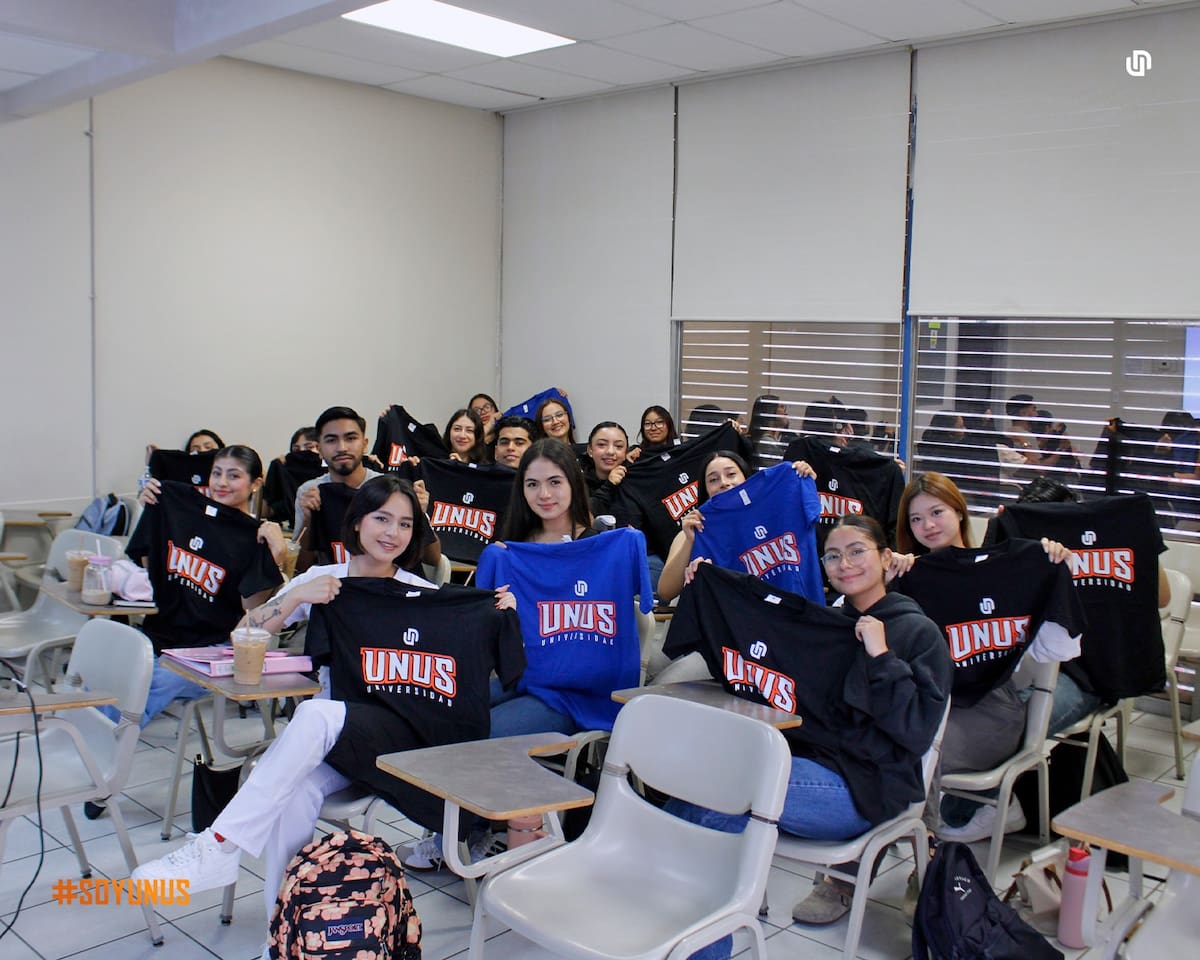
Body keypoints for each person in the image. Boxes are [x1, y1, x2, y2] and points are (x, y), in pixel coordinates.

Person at [132, 476, 521, 931]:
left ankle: (219, 843)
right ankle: (282, 934)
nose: (391, 532)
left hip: (405, 741)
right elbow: (244, 633)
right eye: (381, 518)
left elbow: (486, 670)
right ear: (356, 523)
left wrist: (497, 611)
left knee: (314, 711)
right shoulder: (324, 580)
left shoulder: (431, 596)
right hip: (341, 740)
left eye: (404, 523)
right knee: (294, 791)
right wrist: (297, 595)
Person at [663, 515, 951, 927]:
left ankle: (693, 931)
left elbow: (917, 730)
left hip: (863, 785)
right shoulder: (821, 623)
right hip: (810, 764)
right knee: (695, 792)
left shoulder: (918, 633)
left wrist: (882, 658)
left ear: (887, 558)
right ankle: (674, 916)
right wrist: (708, 583)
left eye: (856, 552)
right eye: (832, 556)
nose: (844, 564)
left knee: (724, 789)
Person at [890, 472, 1083, 843]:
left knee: (915, 751)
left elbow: (1059, 645)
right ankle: (899, 859)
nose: (927, 525)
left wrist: (1057, 562)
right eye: (915, 519)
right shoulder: (910, 575)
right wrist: (884, 578)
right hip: (930, 707)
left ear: (959, 512)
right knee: (875, 741)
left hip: (990, 711)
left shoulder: (1010, 567)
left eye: (936, 512)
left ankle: (921, 861)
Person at [127, 445, 286, 728]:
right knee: (113, 663)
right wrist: (151, 507)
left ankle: (104, 744)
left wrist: (276, 557)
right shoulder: (176, 505)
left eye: (234, 475)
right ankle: (87, 733)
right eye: (216, 473)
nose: (222, 483)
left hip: (211, 650)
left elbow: (249, 613)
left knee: (147, 684)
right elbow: (146, 563)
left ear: (255, 483)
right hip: (159, 636)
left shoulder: (256, 537)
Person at [657, 450, 816, 602]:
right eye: (713, 480)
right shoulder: (699, 528)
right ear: (705, 489)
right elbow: (665, 592)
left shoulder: (781, 503)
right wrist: (690, 541)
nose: (724, 483)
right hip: (739, 624)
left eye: (731, 474)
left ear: (747, 478)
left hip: (796, 617)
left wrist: (803, 480)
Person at [581, 420, 629, 518]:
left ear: (625, 453)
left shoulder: (633, 481)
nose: (610, 451)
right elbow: (582, 517)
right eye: (602, 445)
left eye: (618, 446)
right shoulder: (577, 483)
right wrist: (609, 485)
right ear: (590, 450)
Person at [747, 394, 792, 467]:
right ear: (770, 411)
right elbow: (782, 470)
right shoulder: (765, 442)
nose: (786, 412)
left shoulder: (772, 439)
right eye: (781, 407)